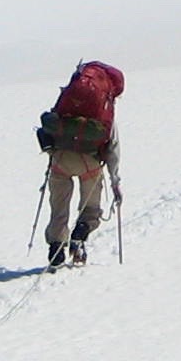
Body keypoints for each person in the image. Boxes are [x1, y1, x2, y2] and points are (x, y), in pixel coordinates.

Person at [35, 59, 123, 268]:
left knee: (59, 207)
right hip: (89, 162)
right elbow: (113, 148)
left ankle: (56, 248)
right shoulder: (104, 108)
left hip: (61, 159)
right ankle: (80, 236)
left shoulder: (69, 97)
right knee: (91, 207)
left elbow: (52, 125)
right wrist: (115, 180)